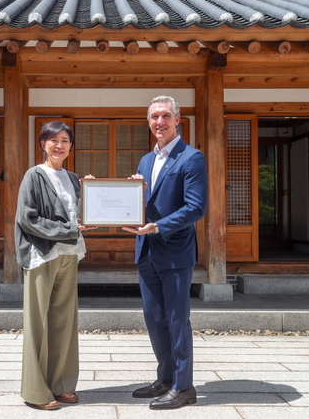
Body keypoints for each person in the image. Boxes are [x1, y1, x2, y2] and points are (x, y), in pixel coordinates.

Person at [123, 96, 208, 410]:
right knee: (155, 319)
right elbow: (143, 204)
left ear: (177, 120)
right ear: (149, 122)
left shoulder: (191, 158)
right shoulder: (146, 160)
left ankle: (184, 387)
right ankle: (166, 378)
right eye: (154, 117)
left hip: (174, 252)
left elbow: (195, 207)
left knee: (176, 320)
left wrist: (157, 226)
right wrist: (133, 198)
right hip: (146, 251)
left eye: (165, 116)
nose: (159, 122)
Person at [15, 121, 96, 410]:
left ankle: (62, 385)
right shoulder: (34, 176)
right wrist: (70, 229)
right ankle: (36, 392)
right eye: (53, 140)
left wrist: (93, 193)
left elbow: (80, 214)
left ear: (71, 146)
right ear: (43, 144)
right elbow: (28, 219)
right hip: (42, 254)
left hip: (69, 254)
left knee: (65, 320)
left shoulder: (74, 178)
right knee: (37, 323)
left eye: (65, 140)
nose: (59, 145)